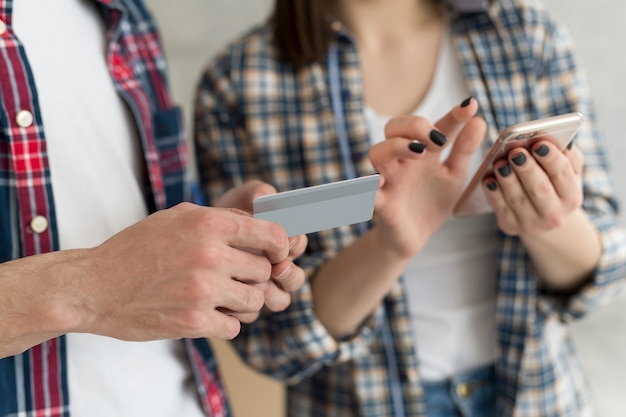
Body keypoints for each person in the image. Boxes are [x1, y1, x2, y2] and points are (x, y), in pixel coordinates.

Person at [193, 0, 626, 416]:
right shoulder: (237, 83)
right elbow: (268, 341)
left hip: (538, 396)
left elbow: (608, 271)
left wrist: (547, 222)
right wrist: (393, 244)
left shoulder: (527, 34)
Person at [0, 0, 308, 416]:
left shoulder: (127, 15)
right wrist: (92, 285)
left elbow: (135, 228)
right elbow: (116, 273)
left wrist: (212, 242)